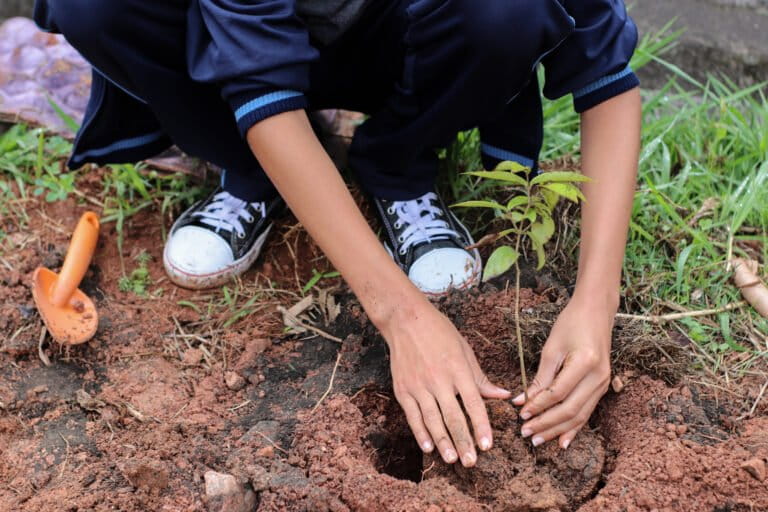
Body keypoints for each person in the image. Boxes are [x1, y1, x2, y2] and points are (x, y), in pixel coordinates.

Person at [34, 0, 641, 468]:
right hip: (232, 55)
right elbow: (257, 83)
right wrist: (402, 318)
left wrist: (595, 302)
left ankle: (400, 165)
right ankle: (252, 171)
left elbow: (605, 75)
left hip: (411, 46)